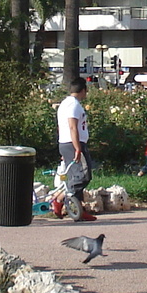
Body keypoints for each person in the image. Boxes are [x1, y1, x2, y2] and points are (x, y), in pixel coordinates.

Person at [56, 76, 93, 222]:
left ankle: (78, 210)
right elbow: (73, 126)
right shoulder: (73, 105)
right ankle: (59, 199)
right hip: (73, 143)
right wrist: (77, 148)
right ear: (83, 90)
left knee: (74, 175)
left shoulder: (64, 103)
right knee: (84, 175)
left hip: (66, 143)